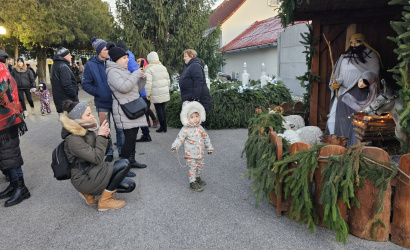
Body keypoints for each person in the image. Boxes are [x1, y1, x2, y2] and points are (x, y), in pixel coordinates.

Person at [60, 100, 135, 211]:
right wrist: (101, 137)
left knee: (130, 185)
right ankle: (104, 201)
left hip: (94, 169)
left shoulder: (86, 130)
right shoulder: (73, 139)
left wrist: (106, 137)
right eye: (88, 114)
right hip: (84, 177)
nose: (92, 117)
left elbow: (101, 153)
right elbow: (97, 158)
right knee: (124, 163)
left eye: (91, 113)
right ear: (78, 118)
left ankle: (89, 195)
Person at [326, 33, 382, 147]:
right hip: (343, 92)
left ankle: (355, 146)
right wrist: (335, 84)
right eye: (351, 42)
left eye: (357, 41)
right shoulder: (344, 57)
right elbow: (338, 75)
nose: (354, 44)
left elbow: (373, 75)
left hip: (360, 94)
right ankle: (336, 144)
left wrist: (364, 83)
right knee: (333, 119)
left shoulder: (371, 56)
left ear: (363, 42)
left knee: (357, 122)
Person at [105, 42, 148, 170]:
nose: (127, 59)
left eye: (126, 57)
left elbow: (135, 89)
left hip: (133, 108)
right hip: (125, 111)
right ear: (117, 60)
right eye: (124, 58)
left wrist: (142, 79)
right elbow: (124, 88)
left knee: (133, 138)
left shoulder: (124, 70)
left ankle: (131, 160)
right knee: (128, 139)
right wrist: (135, 74)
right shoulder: (112, 72)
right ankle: (122, 167)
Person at [82, 37, 124, 163]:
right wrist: (99, 92)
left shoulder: (113, 61)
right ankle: (109, 152)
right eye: (106, 49)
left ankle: (122, 152)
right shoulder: (90, 65)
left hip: (117, 102)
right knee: (106, 129)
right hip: (102, 104)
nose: (108, 51)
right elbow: (86, 84)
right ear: (99, 51)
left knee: (120, 129)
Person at [0, 50, 30, 207]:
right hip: (6, 122)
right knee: (6, 155)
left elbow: (4, 97)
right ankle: (13, 184)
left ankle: (21, 187)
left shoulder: (1, 72)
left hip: (6, 122)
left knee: (9, 154)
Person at [171, 101, 213, 192]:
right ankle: (192, 183)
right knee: (193, 168)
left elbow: (206, 138)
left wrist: (209, 147)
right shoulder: (185, 129)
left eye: (197, 116)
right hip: (190, 154)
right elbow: (179, 138)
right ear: (187, 118)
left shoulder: (200, 128)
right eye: (192, 117)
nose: (195, 119)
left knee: (200, 166)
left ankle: (197, 178)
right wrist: (175, 146)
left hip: (200, 153)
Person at [116, 42, 153, 142]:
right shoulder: (129, 58)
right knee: (138, 114)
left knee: (137, 114)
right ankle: (145, 135)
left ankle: (143, 135)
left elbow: (138, 75)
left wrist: (140, 92)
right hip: (134, 91)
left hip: (134, 92)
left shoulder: (129, 60)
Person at [144, 51, 171, 133]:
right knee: (163, 109)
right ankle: (164, 126)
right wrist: (167, 89)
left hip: (156, 92)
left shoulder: (149, 69)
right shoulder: (163, 67)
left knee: (159, 109)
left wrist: (147, 94)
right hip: (164, 91)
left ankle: (162, 127)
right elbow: (168, 80)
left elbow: (148, 83)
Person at [50, 46, 79, 114]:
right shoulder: (63, 66)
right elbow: (66, 85)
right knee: (70, 122)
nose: (71, 57)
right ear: (64, 56)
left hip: (60, 100)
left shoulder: (55, 65)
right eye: (69, 55)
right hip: (67, 101)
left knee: (65, 121)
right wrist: (74, 96)